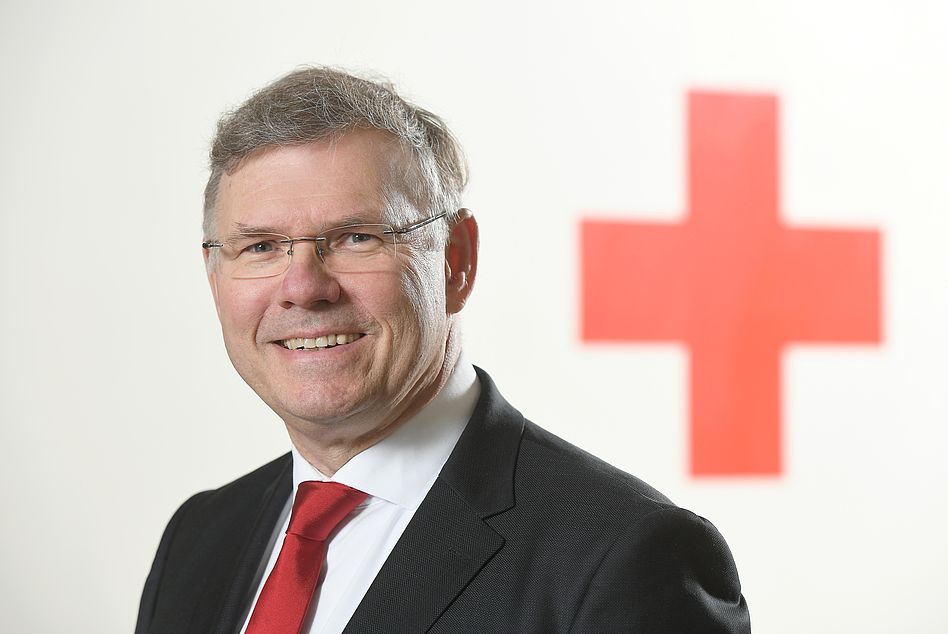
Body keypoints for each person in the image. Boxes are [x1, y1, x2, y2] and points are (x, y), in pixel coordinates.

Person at [136, 67, 750, 634]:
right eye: (261, 247)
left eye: (356, 237)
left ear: (456, 260)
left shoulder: (625, 558)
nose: (303, 287)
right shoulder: (199, 538)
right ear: (213, 276)